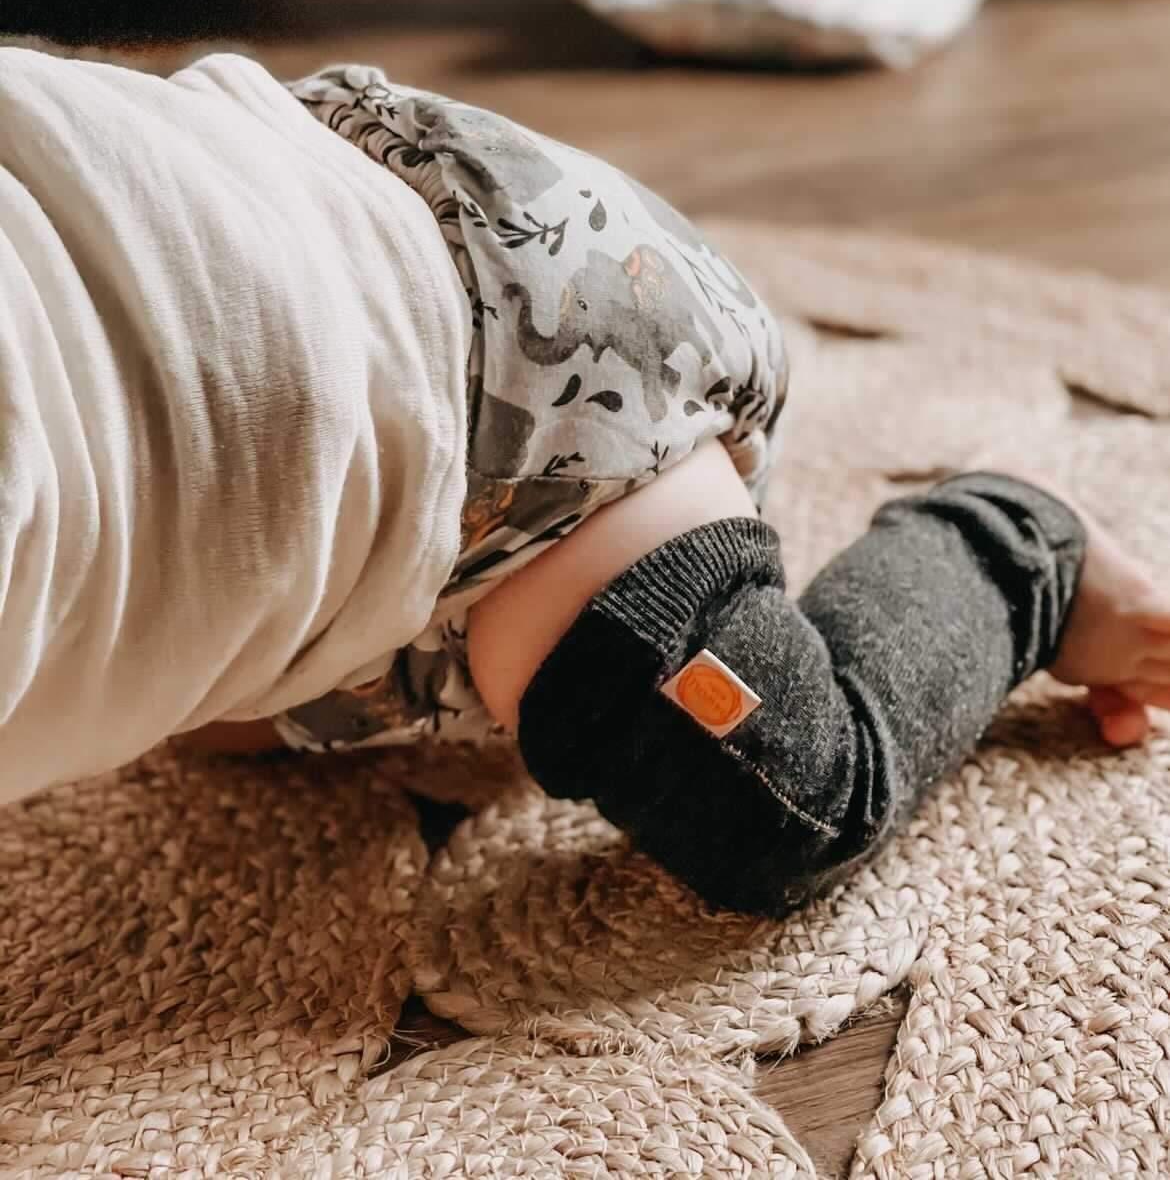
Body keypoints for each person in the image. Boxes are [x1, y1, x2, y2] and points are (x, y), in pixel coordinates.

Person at [2, 47, 1168, 918]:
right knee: (212, 711)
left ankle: (1013, 550)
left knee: (784, 799)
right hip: (274, 266)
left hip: (507, 386)